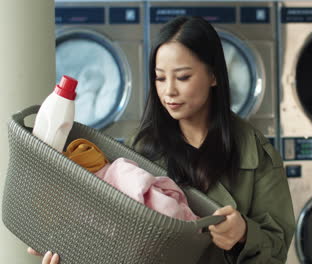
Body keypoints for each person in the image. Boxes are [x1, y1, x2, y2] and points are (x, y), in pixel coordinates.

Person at [28, 15, 295, 264]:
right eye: (159, 78)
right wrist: (70, 247)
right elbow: (115, 239)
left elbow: (278, 248)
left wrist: (245, 233)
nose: (169, 91)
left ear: (213, 75)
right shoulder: (140, 151)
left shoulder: (254, 152)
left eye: (183, 77)